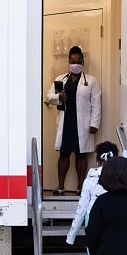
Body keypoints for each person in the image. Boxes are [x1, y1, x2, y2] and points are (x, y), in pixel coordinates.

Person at [46, 46, 101, 193]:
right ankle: (61, 186)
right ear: (68, 62)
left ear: (82, 62)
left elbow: (96, 103)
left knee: (80, 154)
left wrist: (94, 123)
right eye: (72, 61)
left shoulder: (91, 81)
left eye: (78, 61)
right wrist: (59, 97)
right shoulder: (60, 80)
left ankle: (80, 187)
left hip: (83, 124)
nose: (75, 64)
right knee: (63, 154)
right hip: (66, 121)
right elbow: (49, 97)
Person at [66, 141, 119, 255]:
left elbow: (81, 208)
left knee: (92, 243)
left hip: (92, 215)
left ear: (97, 160)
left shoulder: (89, 180)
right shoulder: (120, 178)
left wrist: (71, 236)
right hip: (113, 216)